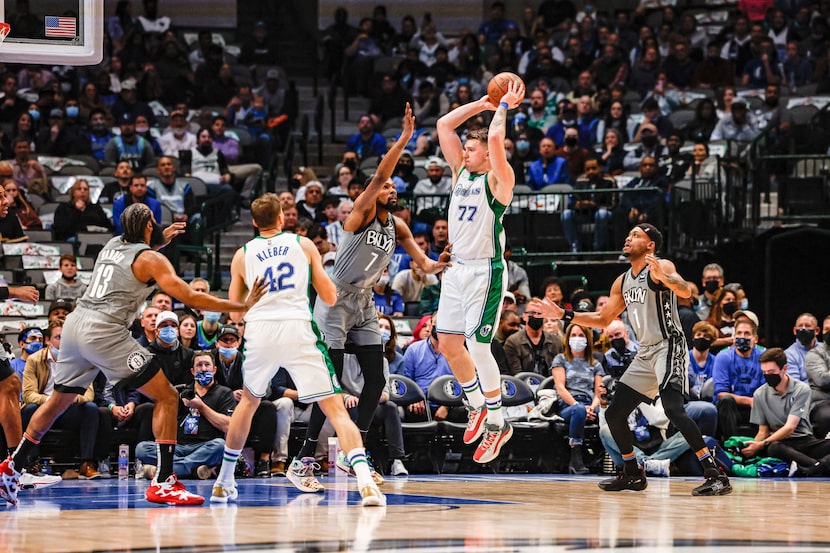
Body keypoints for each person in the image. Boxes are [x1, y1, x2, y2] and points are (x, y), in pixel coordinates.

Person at [0, 202, 267, 506]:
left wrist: (160, 238)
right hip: (104, 331)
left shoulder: (112, 245)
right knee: (167, 396)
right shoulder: (152, 260)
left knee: (58, 401)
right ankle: (164, 481)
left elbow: (139, 251)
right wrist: (241, 306)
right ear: (149, 226)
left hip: (76, 324)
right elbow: (190, 295)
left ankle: (12, 468)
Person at [292, 104, 448, 483]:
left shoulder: (398, 226)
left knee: (377, 381)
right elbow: (381, 173)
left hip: (364, 301)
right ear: (373, 191)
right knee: (328, 384)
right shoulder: (359, 213)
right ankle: (303, 459)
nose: (392, 188)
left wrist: (439, 263)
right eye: (387, 186)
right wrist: (406, 138)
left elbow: (424, 266)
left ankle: (352, 451)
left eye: (395, 186)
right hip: (335, 297)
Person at [209, 193, 386, 507]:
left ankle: (223, 482)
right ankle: (364, 482)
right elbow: (330, 297)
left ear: (253, 223)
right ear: (281, 218)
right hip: (297, 327)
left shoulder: (242, 254)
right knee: (334, 407)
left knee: (248, 403)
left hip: (260, 330)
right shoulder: (302, 245)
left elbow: (236, 315)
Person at [530, 224, 732, 495]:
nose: (628, 237)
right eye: (628, 234)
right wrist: (564, 314)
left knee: (673, 409)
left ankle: (715, 473)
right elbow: (602, 320)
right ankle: (633, 472)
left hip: (668, 345)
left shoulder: (660, 266)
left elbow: (686, 292)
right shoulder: (622, 281)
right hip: (646, 352)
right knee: (613, 413)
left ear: (650, 245)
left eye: (636, 235)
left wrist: (668, 279)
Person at [435, 78, 525, 464]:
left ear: (487, 155)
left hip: (485, 272)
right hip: (456, 270)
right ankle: (476, 406)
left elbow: (494, 142)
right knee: (448, 343)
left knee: (478, 346)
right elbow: (443, 124)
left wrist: (503, 108)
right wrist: (484, 103)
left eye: (472, 149)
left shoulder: (498, 179)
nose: (466, 152)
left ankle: (498, 423)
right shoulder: (461, 174)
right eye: (466, 148)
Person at [21, 321, 101, 481]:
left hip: (68, 409)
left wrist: (69, 399)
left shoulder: (81, 360)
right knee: (28, 409)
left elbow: (89, 394)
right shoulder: (34, 360)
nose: (63, 342)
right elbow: (29, 394)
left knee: (91, 409)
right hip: (43, 409)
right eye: (58, 337)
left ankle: (87, 464)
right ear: (48, 340)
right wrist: (53, 400)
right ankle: (32, 463)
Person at [135, 351, 233, 480]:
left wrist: (201, 407)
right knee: (142, 449)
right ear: (192, 371)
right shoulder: (180, 392)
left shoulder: (224, 393)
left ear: (214, 370)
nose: (203, 369)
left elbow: (228, 426)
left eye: (207, 365)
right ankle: (192, 469)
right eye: (199, 365)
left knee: (221, 446)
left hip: (205, 445)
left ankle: (167, 470)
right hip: (178, 447)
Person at [742, 348, 830, 476]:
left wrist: (761, 444)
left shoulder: (801, 389)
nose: (768, 375)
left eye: (771, 372)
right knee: (773, 448)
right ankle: (819, 467)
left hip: (804, 439)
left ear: (784, 368)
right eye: (764, 372)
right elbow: (763, 431)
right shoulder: (759, 394)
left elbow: (790, 427)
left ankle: (811, 469)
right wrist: (754, 446)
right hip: (779, 443)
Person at [551, 322, 604, 473]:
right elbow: (560, 388)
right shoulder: (560, 359)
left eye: (581, 335)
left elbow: (598, 391)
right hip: (568, 406)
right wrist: (576, 405)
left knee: (609, 414)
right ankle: (575, 459)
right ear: (567, 339)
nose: (577, 338)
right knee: (579, 410)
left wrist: (593, 408)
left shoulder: (596, 364)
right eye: (573, 335)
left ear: (587, 338)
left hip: (590, 404)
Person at [713, 318, 765, 440]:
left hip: (756, 406)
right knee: (726, 400)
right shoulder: (723, 356)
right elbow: (721, 394)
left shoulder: (764, 356)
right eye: (739, 333)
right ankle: (732, 445)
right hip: (732, 407)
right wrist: (748, 401)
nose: (742, 337)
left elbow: (767, 390)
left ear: (755, 339)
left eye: (747, 333)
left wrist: (755, 402)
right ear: (734, 337)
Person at [562, 157, 615, 252]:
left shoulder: (609, 181)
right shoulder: (580, 182)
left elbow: (612, 204)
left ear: (600, 168)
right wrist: (577, 205)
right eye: (587, 169)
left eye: (594, 168)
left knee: (602, 214)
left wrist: (593, 205)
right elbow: (571, 202)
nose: (591, 172)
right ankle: (574, 248)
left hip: (601, 214)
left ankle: (598, 248)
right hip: (583, 213)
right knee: (566, 214)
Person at [503, 304, 562, 376]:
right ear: (524, 316)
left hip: (550, 384)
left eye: (539, 313)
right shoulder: (513, 342)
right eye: (532, 313)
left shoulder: (556, 342)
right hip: (523, 384)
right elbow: (516, 373)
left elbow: (560, 369)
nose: (536, 316)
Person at [784, 313, 819, 384]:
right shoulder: (789, 355)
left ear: (817, 331)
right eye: (800, 326)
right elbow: (796, 386)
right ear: (794, 331)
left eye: (807, 326)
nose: (803, 329)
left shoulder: (826, 350)